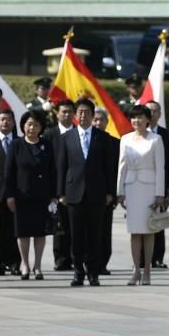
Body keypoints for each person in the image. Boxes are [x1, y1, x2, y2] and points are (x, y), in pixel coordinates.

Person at [57, 98, 118, 287]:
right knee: (75, 236)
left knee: (94, 234)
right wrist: (61, 192)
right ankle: (78, 273)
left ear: (92, 116)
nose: (83, 115)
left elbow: (109, 168)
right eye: (80, 112)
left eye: (86, 112)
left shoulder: (103, 137)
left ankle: (93, 272)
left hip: (96, 194)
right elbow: (61, 166)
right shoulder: (67, 137)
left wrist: (110, 192)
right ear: (76, 115)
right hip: (73, 193)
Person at [117, 105, 165, 286]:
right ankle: (135, 270)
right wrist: (119, 192)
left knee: (148, 230)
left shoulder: (156, 139)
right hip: (131, 187)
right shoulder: (125, 139)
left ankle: (147, 271)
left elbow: (160, 168)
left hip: (149, 188)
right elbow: (121, 166)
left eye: (140, 117)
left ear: (148, 119)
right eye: (133, 118)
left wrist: (160, 193)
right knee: (135, 231)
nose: (136, 121)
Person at [5, 111, 55, 280]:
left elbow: (53, 171)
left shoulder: (47, 145)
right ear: (23, 126)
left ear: (41, 127)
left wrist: (54, 195)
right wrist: (10, 195)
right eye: (28, 124)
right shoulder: (16, 145)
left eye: (35, 125)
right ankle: (25, 264)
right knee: (23, 232)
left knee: (40, 232)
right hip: (21, 195)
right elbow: (9, 172)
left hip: (42, 196)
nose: (31, 128)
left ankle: (38, 266)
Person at [145, 101, 169, 270]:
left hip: (161, 184)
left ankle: (157, 258)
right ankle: (143, 258)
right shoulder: (136, 134)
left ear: (160, 114)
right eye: (149, 111)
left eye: (155, 111)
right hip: (141, 184)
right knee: (141, 221)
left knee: (159, 221)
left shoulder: (167, 135)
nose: (152, 114)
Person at [45, 99, 75, 271]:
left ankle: (74, 257)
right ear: (57, 114)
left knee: (75, 225)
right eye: (63, 111)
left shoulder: (78, 133)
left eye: (70, 112)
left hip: (75, 187)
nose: (67, 115)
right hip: (56, 188)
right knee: (59, 225)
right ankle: (61, 259)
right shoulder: (50, 135)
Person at [0, 109, 20, 276]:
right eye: (2, 119)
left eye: (8, 120)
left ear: (13, 123)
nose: (5, 122)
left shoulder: (19, 142)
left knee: (15, 230)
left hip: (16, 194)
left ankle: (15, 263)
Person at [93, 107, 120, 275]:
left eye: (100, 120)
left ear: (106, 122)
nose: (97, 123)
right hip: (85, 194)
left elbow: (115, 170)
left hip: (106, 195)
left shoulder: (114, 142)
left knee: (104, 230)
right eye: (95, 119)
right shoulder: (82, 139)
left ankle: (102, 263)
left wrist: (113, 193)